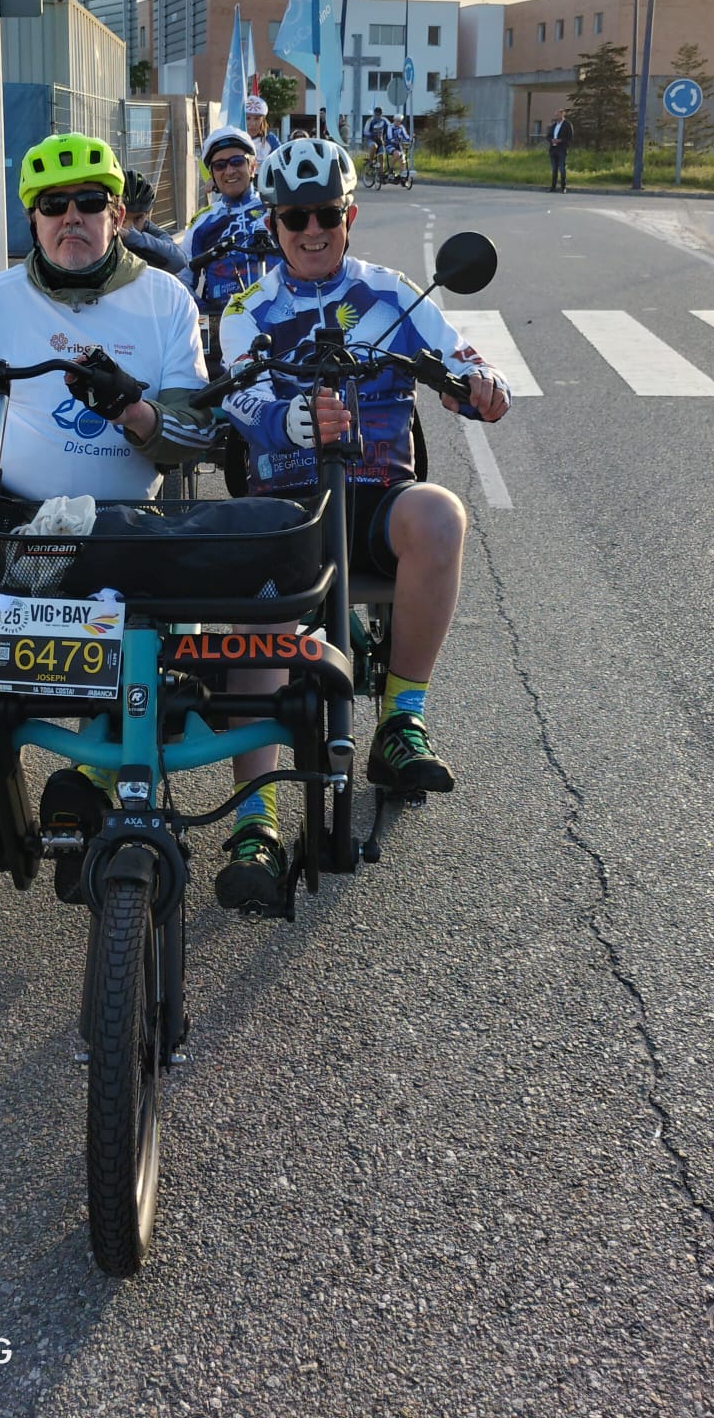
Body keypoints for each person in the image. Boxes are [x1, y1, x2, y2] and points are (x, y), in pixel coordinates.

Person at [213, 137, 510, 912]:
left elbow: (459, 353)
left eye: (327, 216)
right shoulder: (247, 312)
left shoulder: (395, 296)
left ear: (351, 214)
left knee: (441, 514)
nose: (312, 231)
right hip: (288, 504)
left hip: (379, 496)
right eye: (294, 218)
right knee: (255, 596)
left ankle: (401, 723)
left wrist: (477, 381)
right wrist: (294, 420)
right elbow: (237, 402)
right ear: (273, 225)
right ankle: (256, 819)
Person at [0, 132, 212, 867]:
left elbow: (193, 431)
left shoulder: (165, 299)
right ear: (33, 220)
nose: (70, 218)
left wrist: (132, 412)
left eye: (87, 203)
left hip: (125, 520)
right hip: (15, 516)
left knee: (166, 627)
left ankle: (100, 768)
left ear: (117, 216)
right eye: (51, 206)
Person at [178, 128, 277, 362]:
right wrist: (202, 313)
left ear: (252, 166)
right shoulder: (202, 221)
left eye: (237, 162)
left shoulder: (275, 208)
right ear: (212, 174)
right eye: (220, 165)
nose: (229, 171)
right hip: (221, 322)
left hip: (276, 316)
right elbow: (182, 278)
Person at [120, 167, 185, 275]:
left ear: (147, 215)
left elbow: (179, 261)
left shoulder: (150, 229)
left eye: (137, 219)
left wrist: (135, 238)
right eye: (123, 218)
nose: (129, 226)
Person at [244, 94, 279, 165]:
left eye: (257, 119)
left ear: (262, 121)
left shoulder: (271, 140)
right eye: (248, 118)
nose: (252, 123)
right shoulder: (237, 139)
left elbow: (279, 161)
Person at [547, 108, 573, 192]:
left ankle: (563, 187)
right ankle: (553, 187)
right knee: (554, 168)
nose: (556, 116)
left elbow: (570, 137)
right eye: (556, 115)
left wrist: (560, 140)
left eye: (558, 114)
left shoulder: (567, 124)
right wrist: (552, 140)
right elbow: (548, 136)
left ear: (562, 114)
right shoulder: (554, 125)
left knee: (562, 168)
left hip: (561, 149)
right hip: (553, 149)